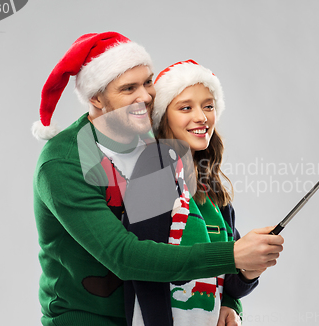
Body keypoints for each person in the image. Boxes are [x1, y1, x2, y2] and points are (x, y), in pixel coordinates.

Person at [32, 32, 284, 326]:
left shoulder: (158, 145)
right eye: (129, 88)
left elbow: (208, 225)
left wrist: (229, 300)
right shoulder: (65, 162)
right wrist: (233, 255)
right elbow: (124, 256)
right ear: (96, 98)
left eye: (148, 82)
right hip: (86, 318)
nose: (146, 96)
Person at [124, 60, 265, 326]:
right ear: (164, 116)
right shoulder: (152, 166)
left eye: (208, 106)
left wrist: (249, 272)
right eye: (186, 107)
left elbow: (226, 281)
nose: (202, 117)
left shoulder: (212, 192)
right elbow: (143, 265)